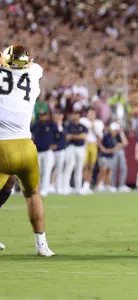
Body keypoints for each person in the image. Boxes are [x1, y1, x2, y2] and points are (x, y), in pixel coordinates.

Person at [0, 44, 54, 256]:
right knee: (32, 194)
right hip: (24, 146)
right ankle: (42, 245)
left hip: (1, 146)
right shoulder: (34, 71)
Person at [30, 111, 58, 197]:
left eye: (44, 115)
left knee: (47, 171)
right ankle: (37, 189)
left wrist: (55, 144)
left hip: (47, 151)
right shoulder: (35, 125)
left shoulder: (51, 124)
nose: (42, 117)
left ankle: (44, 189)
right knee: (38, 171)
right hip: (37, 151)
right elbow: (30, 135)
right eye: (40, 115)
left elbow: (58, 135)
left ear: (47, 116)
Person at [64, 109, 88, 195]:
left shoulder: (83, 126)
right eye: (74, 114)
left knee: (79, 167)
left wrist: (73, 136)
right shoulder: (68, 125)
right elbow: (67, 136)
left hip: (80, 148)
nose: (75, 116)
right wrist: (78, 136)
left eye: (77, 114)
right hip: (71, 147)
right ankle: (65, 187)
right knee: (69, 166)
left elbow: (84, 136)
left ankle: (78, 188)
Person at [80, 107, 104, 193]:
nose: (91, 116)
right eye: (89, 114)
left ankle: (87, 184)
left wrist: (93, 127)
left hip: (93, 144)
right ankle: (81, 183)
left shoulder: (98, 123)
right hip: (84, 145)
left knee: (91, 166)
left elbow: (100, 138)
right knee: (83, 165)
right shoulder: (83, 121)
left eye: (92, 114)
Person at [97, 122, 123, 192]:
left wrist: (115, 148)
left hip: (110, 156)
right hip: (103, 155)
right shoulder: (106, 135)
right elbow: (99, 142)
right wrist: (103, 149)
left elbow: (122, 143)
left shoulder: (116, 136)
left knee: (108, 171)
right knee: (103, 170)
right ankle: (98, 185)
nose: (115, 131)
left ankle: (107, 185)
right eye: (114, 130)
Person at [110, 124, 130, 192]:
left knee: (123, 168)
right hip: (112, 152)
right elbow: (111, 145)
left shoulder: (120, 134)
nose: (116, 131)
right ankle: (113, 186)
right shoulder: (109, 136)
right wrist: (117, 145)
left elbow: (125, 143)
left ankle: (122, 185)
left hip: (121, 151)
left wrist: (121, 134)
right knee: (113, 169)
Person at [52, 110, 67, 194]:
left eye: (60, 115)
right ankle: (49, 185)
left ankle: (58, 186)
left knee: (59, 169)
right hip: (51, 151)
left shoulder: (64, 126)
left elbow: (64, 136)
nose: (58, 117)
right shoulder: (51, 125)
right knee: (50, 168)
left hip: (61, 150)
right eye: (57, 115)